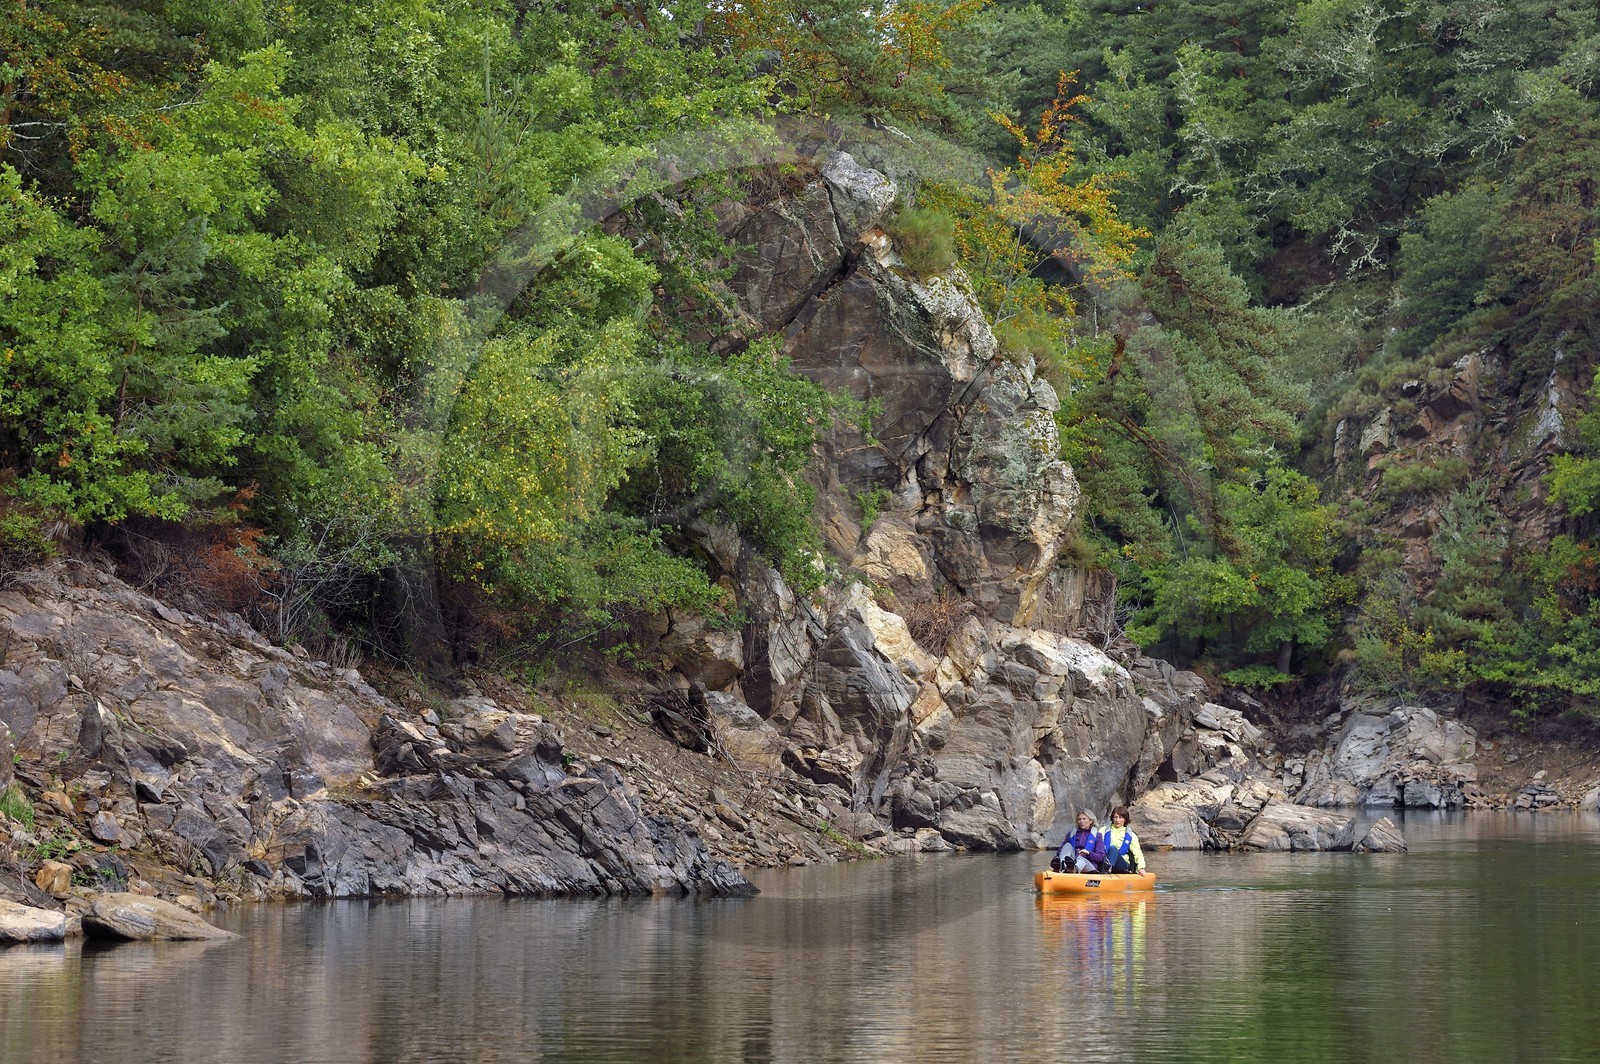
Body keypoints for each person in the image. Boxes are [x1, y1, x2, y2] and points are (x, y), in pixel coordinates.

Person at [1100, 806, 1147, 875]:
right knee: (1108, 852)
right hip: (1105, 859)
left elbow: (1137, 853)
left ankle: (1108, 868)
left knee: (1113, 848)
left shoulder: (1131, 835)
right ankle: (1107, 868)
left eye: (1120, 817)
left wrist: (1141, 867)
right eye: (1115, 817)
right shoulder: (1103, 830)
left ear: (1125, 819)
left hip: (1122, 864)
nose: (1117, 820)